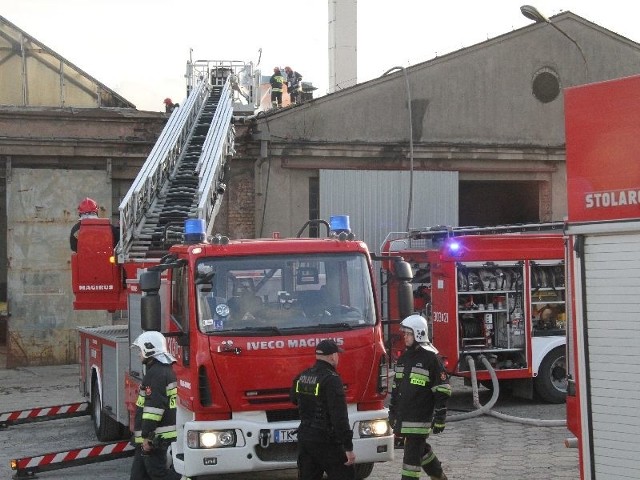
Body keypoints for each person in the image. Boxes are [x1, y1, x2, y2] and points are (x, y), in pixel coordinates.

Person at [388, 314, 451, 480]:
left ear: (418, 334)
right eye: (404, 334)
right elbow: (396, 388)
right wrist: (392, 412)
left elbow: (442, 390)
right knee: (421, 450)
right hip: (404, 416)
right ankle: (438, 475)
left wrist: (440, 417)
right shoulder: (404, 358)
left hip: (419, 419)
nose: (405, 337)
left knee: (411, 461)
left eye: (408, 334)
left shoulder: (431, 359)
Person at [290, 339, 355, 480]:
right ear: (332, 356)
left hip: (306, 439)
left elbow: (294, 399)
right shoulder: (332, 379)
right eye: (337, 354)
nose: (338, 357)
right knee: (346, 475)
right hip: (326, 441)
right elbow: (339, 417)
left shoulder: (302, 376)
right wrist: (348, 448)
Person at [129, 331, 181, 480]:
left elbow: (154, 409)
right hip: (152, 438)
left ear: (149, 349)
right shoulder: (163, 371)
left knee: (159, 474)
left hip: (155, 437)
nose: (139, 354)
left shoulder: (156, 374)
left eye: (140, 350)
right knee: (138, 476)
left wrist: (147, 437)